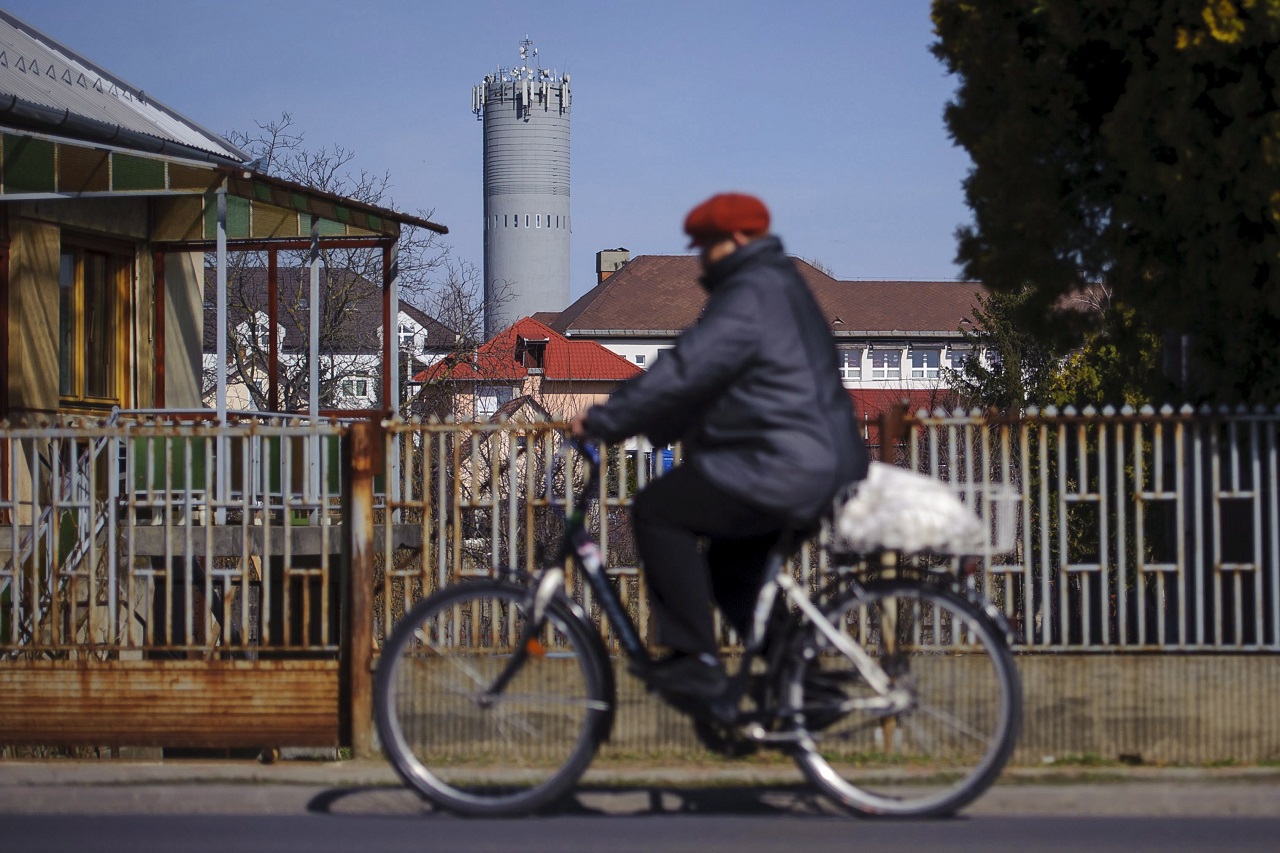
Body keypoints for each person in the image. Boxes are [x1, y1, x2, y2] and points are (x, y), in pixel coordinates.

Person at [571, 192, 868, 702]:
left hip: (789, 463)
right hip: (810, 460)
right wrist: (658, 422)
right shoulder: (773, 285)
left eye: (706, 245)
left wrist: (607, 419)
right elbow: (717, 383)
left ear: (734, 240)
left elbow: (691, 366)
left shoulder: (753, 291)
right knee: (732, 573)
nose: (701, 258)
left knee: (658, 510)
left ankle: (694, 662)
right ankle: (803, 689)